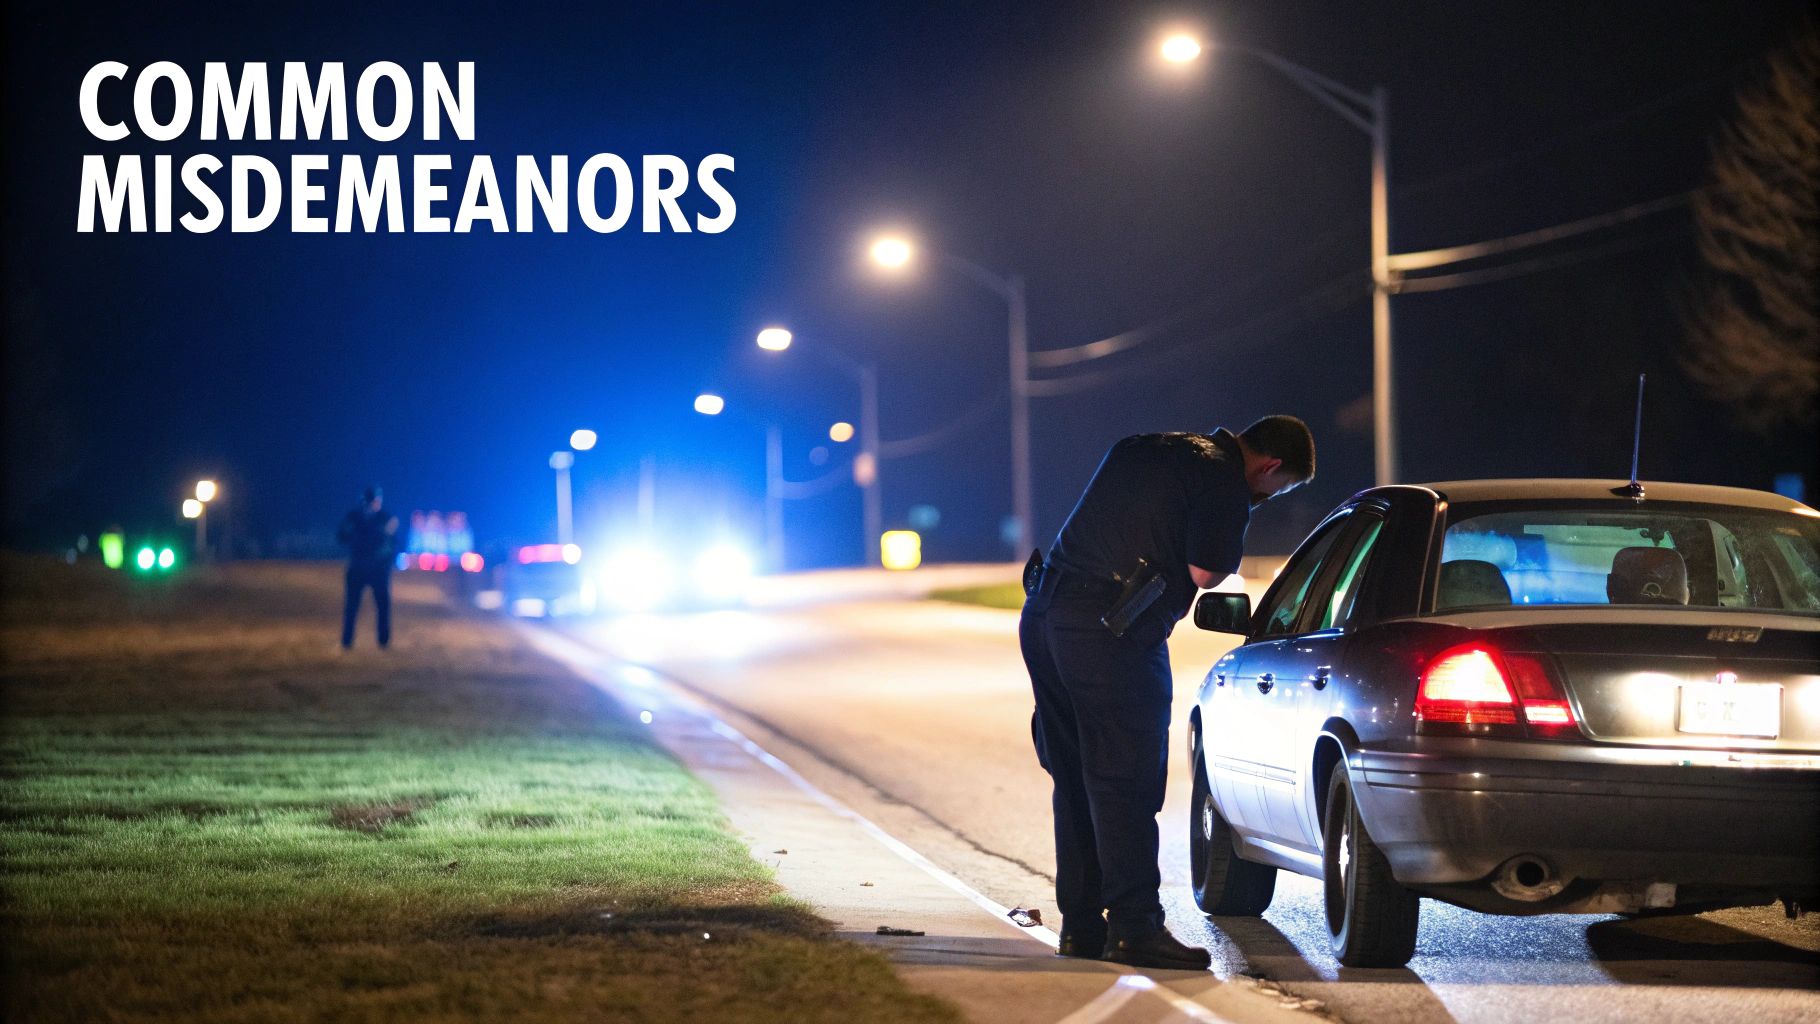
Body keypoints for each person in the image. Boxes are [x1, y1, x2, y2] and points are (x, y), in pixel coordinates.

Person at [1021, 415, 1314, 970]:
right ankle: (1135, 930)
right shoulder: (1224, 481)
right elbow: (1207, 571)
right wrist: (1238, 511)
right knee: (1125, 780)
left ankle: (1081, 928)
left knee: (1076, 776)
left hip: (1044, 614)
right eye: (1276, 489)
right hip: (1112, 629)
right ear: (1270, 467)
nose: (1267, 497)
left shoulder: (1142, 445)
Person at [337, 486, 399, 649]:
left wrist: (386, 560)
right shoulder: (355, 517)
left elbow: (392, 544)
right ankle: (347, 641)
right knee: (351, 606)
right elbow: (342, 536)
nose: (374, 505)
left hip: (378, 569)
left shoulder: (385, 518)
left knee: (383, 605)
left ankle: (383, 641)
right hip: (358, 567)